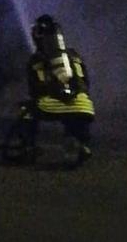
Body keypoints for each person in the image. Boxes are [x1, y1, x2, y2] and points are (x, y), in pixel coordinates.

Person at [22, 14, 95, 167]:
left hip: (52, 106)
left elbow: (35, 90)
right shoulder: (74, 55)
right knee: (74, 111)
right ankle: (82, 144)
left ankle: (29, 148)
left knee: (26, 110)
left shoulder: (36, 59)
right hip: (84, 105)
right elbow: (85, 83)